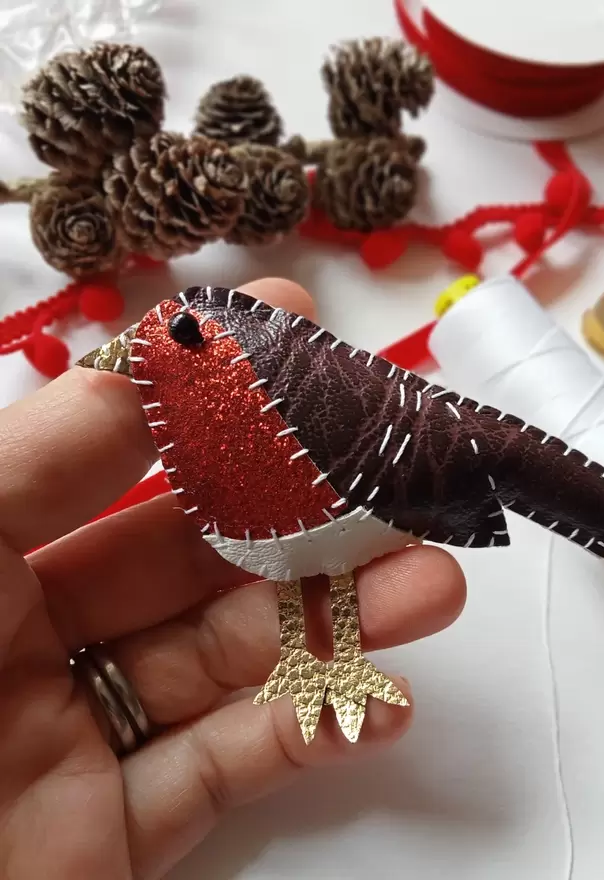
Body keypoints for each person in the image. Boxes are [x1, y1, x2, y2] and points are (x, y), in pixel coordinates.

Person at [0, 278, 466, 879]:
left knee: (326, 572)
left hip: (328, 518)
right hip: (275, 530)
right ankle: (312, 664)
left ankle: (334, 664)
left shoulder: (286, 425)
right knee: (308, 574)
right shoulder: (205, 445)